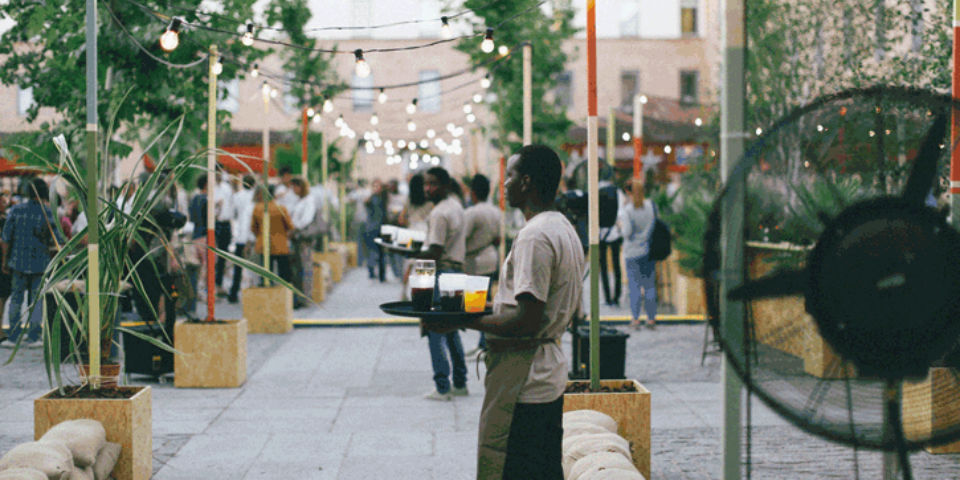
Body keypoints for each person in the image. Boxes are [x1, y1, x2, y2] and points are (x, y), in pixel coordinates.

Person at [425, 145, 583, 479]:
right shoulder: (563, 227)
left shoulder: (535, 237)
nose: (505, 183)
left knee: (512, 467)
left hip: (525, 380)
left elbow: (525, 319)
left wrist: (460, 320)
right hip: (546, 373)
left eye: (509, 175)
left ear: (526, 182)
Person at [417, 166, 468, 401]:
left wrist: (412, 256)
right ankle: (460, 382)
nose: (428, 188)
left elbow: (435, 251)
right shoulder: (457, 206)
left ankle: (442, 386)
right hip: (456, 272)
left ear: (445, 185)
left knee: (434, 329)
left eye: (433, 184)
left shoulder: (439, 213)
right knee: (452, 327)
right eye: (426, 184)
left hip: (439, 272)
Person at [1, 178, 63, 347]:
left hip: (17, 260)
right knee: (36, 300)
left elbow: (6, 238)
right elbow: (56, 240)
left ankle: (13, 337)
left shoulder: (15, 210)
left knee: (16, 298)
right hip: (40, 263)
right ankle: (34, 336)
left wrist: (5, 261)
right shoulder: (48, 212)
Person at [462, 174, 501, 355]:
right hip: (490, 258)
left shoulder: (472, 213)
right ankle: (482, 342)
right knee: (483, 302)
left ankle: (484, 343)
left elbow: (462, 238)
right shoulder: (496, 211)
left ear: (473, 192)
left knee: (476, 305)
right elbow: (498, 238)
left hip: (474, 262)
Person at [620, 177, 657, 329]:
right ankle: (651, 319)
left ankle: (635, 319)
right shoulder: (650, 206)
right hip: (648, 250)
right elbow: (655, 225)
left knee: (634, 286)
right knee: (649, 285)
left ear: (629, 192)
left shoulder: (627, 210)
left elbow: (627, 232)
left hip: (632, 252)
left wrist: (619, 227)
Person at [250, 185, 294, 285]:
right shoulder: (281, 208)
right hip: (280, 245)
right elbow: (290, 226)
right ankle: (285, 296)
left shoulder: (257, 208)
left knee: (266, 275)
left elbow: (253, 228)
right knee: (284, 275)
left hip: (264, 245)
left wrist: (260, 235)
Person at [289, 177, 316, 308]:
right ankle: (300, 296)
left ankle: (305, 297)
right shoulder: (299, 201)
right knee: (298, 267)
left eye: (295, 187)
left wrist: (295, 228)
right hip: (296, 237)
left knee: (305, 266)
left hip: (303, 238)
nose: (293, 190)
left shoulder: (308, 201)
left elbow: (306, 219)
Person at [228, 175, 256, 303]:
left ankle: (234, 292)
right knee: (254, 265)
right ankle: (253, 290)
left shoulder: (237, 196)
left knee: (238, 267)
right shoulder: (255, 197)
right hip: (252, 235)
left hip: (240, 234)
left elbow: (233, 213)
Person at [213, 171, 234, 297]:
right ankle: (212, 284)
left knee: (223, 255)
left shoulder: (227, 188)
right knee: (213, 255)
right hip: (215, 223)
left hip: (226, 223)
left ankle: (219, 283)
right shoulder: (211, 188)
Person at [363, 180, 388, 281]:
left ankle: (380, 274)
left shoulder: (384, 198)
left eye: (378, 186)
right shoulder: (371, 199)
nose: (377, 188)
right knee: (373, 251)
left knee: (381, 252)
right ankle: (372, 272)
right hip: (372, 228)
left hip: (381, 228)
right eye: (375, 186)